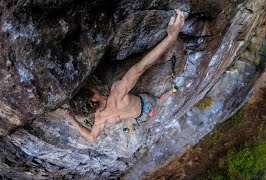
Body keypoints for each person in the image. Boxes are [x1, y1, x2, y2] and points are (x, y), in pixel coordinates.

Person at [64, 9, 185, 141]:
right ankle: (167, 96)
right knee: (158, 101)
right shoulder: (117, 92)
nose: (91, 85)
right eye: (89, 88)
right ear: (93, 98)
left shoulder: (100, 118)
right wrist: (170, 38)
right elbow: (142, 66)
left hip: (139, 116)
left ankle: (143, 119)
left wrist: (73, 121)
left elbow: (92, 137)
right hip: (145, 102)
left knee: (144, 114)